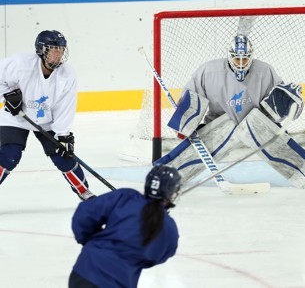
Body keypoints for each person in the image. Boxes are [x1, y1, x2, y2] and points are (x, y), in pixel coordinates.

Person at [156, 34, 305, 189]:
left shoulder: (265, 71)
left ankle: (304, 173)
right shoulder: (209, 71)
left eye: (245, 59)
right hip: (221, 125)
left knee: (257, 126)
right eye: (237, 58)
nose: (241, 63)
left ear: (251, 56)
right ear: (229, 55)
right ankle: (165, 176)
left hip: (255, 125)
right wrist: (185, 123)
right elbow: (191, 98)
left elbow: (282, 105)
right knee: (220, 132)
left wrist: (291, 106)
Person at [0, 30, 94, 200]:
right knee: (10, 156)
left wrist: (63, 135)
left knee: (63, 158)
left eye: (61, 50)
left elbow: (66, 106)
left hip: (47, 121)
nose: (58, 55)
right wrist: (7, 93)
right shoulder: (20, 64)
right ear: (41, 50)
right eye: (53, 49)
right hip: (16, 117)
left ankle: (84, 192)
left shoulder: (67, 74)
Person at [69, 165, 181, 288]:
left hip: (84, 272)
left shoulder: (126, 196)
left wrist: (91, 242)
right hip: (119, 281)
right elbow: (157, 257)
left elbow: (85, 214)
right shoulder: (169, 228)